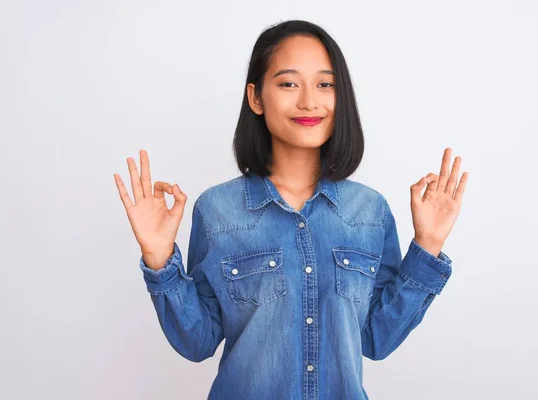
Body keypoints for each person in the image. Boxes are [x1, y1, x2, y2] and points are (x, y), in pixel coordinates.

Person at [114, 19, 468, 400]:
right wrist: (158, 258)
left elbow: (376, 338)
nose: (308, 101)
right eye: (288, 83)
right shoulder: (217, 211)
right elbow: (197, 341)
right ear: (256, 97)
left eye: (325, 84)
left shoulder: (370, 212)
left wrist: (428, 245)